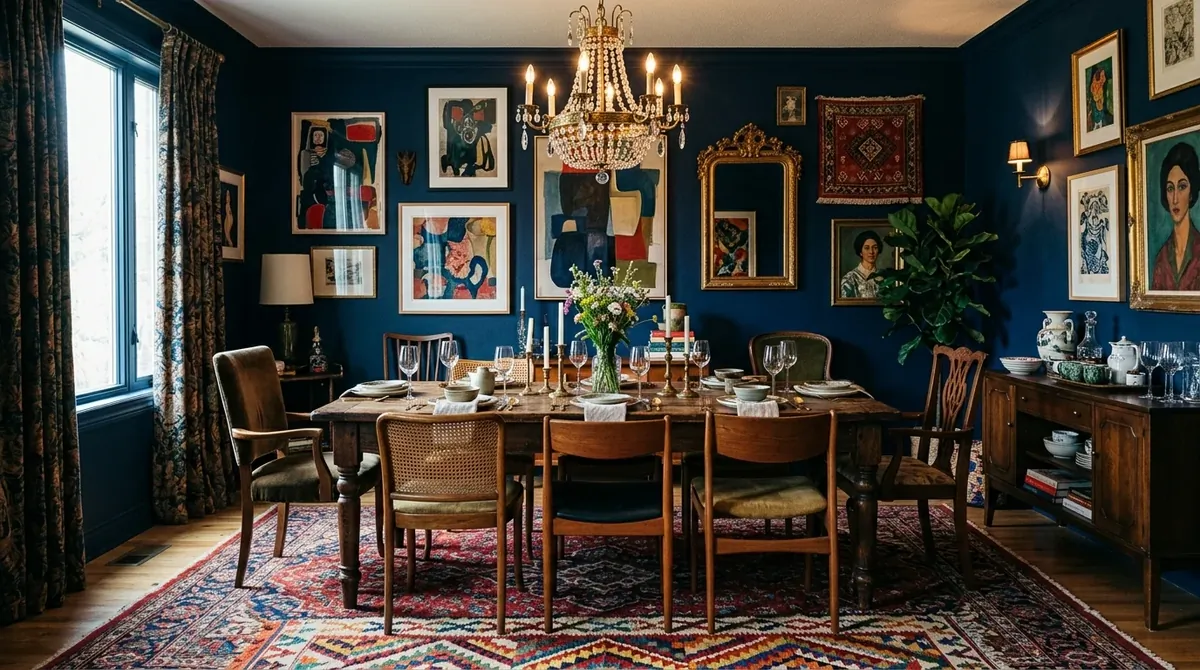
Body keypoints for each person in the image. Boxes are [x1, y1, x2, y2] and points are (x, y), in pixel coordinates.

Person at [1151, 141, 1200, 291]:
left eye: (1182, 186)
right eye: (1170, 188)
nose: (1175, 199)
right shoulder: (1162, 257)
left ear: (1191, 193)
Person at [840, 230, 885, 298]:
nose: (871, 252)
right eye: (867, 248)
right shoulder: (850, 279)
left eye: (875, 248)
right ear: (860, 252)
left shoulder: (884, 278)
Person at [1087, 66, 1114, 131]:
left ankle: (1100, 123)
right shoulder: (1094, 83)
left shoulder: (1102, 84)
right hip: (1096, 100)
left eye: (1103, 75)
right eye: (1101, 75)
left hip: (1100, 101)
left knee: (1100, 111)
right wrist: (1097, 96)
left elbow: (1103, 81)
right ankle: (1097, 124)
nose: (1103, 76)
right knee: (1096, 112)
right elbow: (1093, 92)